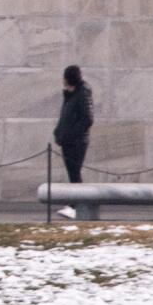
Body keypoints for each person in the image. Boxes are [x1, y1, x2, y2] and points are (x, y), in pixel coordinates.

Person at [52, 64, 95, 218]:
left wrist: (70, 135)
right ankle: (75, 205)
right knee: (72, 173)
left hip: (77, 142)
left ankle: (76, 206)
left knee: (75, 173)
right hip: (68, 140)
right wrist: (58, 132)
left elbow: (87, 119)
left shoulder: (83, 93)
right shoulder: (72, 94)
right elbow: (65, 116)